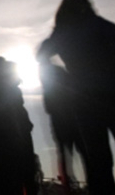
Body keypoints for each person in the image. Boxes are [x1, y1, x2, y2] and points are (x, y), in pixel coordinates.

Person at [38, 0, 115, 195]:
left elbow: (42, 54)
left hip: (85, 98)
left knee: (97, 157)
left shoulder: (62, 32)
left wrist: (63, 75)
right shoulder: (95, 23)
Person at [0, 55, 38, 195]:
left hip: (0, 129)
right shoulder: (2, 85)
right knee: (20, 170)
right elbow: (12, 106)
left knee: (3, 170)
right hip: (12, 130)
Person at [39, 62, 85, 192]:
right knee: (82, 154)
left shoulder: (49, 91)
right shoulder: (69, 88)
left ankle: (67, 185)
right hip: (73, 124)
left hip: (61, 126)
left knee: (65, 156)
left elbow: (48, 108)